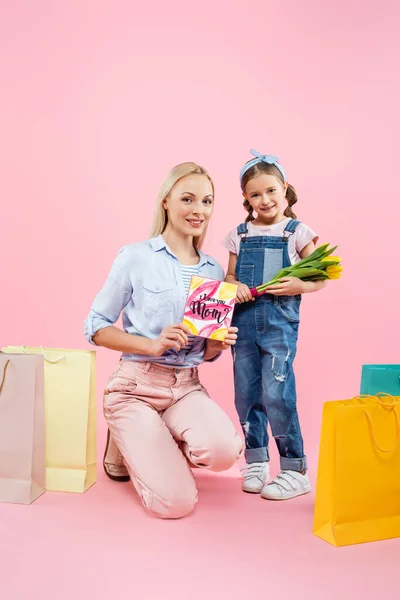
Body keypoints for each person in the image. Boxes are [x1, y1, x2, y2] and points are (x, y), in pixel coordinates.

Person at [85, 162, 243, 519]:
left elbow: (204, 353)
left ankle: (147, 444)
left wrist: (214, 347)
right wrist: (151, 344)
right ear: (166, 202)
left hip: (186, 387)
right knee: (175, 504)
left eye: (207, 201)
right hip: (135, 385)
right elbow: (95, 326)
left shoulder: (214, 270)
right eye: (188, 199)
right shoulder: (135, 257)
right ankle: (129, 439)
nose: (198, 210)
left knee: (224, 452)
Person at [224, 149, 326, 500]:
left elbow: (321, 277)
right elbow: (230, 276)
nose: (264, 199)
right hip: (243, 324)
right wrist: (233, 286)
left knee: (276, 393)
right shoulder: (239, 233)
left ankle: (294, 469)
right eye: (255, 194)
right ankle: (256, 460)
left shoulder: (297, 231)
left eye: (271, 191)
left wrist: (300, 285)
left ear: (285, 189)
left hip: (279, 324)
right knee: (245, 394)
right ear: (245, 198)